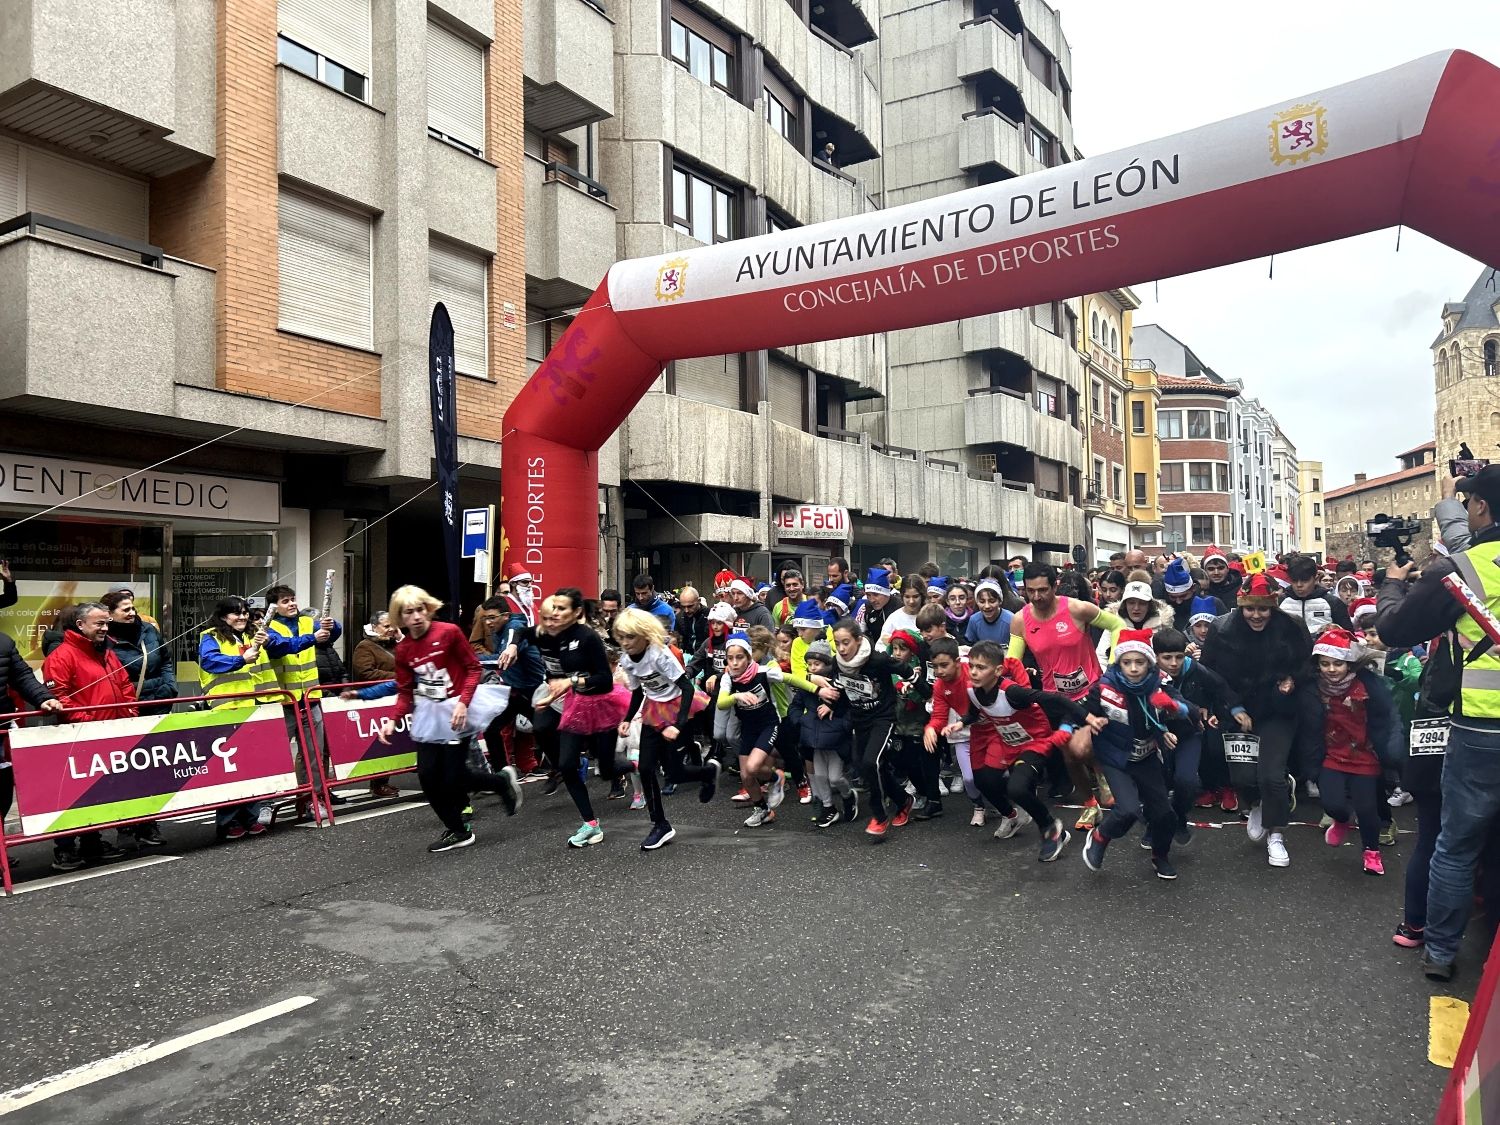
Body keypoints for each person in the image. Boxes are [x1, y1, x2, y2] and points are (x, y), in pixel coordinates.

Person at [1375, 464, 1500, 980]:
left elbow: (1395, 629)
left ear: (1481, 508)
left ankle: (1442, 952)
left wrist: (1391, 586)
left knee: (1456, 840)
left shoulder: (1467, 567)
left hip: (1480, 729)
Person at [376, 585, 521, 853]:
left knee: (454, 777)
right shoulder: (405, 649)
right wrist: (393, 720)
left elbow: (473, 668)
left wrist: (463, 703)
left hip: (458, 710)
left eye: (421, 609)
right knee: (428, 777)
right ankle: (459, 830)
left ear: (428, 609)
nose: (417, 616)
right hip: (429, 714)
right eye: (409, 612)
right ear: (401, 617)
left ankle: (500, 783)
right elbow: (405, 690)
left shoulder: (449, 632)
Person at [935, 639, 1088, 860]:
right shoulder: (973, 690)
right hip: (1009, 744)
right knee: (984, 779)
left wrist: (1082, 717)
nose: (974, 672)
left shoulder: (1014, 692)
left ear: (997, 670)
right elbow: (976, 711)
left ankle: (1051, 829)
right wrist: (962, 722)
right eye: (973, 667)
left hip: (1035, 742)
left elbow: (1055, 699)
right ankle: (1014, 815)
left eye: (981, 668)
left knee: (1017, 788)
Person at [1201, 572, 1312, 870]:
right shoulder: (1221, 628)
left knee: (1271, 775)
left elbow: (1307, 665)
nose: (1257, 615)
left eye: (1263, 608)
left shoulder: (1292, 627)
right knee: (1242, 778)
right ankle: (1255, 805)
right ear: (1240, 606)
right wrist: (1218, 707)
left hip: (1277, 708)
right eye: (1250, 608)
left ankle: (1276, 834)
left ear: (1273, 607)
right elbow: (1209, 673)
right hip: (1237, 709)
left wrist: (1292, 681)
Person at [1007, 561, 1125, 829]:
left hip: (1090, 692)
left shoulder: (1076, 608)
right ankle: (1089, 804)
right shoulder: (1019, 620)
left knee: (1081, 748)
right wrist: (1017, 686)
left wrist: (1114, 662)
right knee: (1069, 756)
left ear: (1055, 586)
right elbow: (1012, 661)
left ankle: (1101, 773)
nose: (1036, 597)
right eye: (1030, 591)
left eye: (1042, 590)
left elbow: (1117, 624)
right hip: (1053, 698)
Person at [1079, 629, 1193, 880]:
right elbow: (1080, 711)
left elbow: (1185, 708)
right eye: (1127, 662)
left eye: (1139, 662)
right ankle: (1100, 837)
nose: (1133, 668)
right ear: (1118, 663)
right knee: (1128, 809)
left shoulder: (1158, 684)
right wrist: (1082, 725)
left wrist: (1176, 708)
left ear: (1149, 663)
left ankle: (1160, 856)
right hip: (1115, 758)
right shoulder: (1104, 687)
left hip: (1146, 758)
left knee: (1164, 814)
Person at [1297, 628, 1402, 878]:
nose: (1331, 669)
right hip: (1331, 754)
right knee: (1332, 804)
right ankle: (1341, 820)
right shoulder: (1311, 688)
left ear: (1350, 663)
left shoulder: (1369, 686)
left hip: (1365, 756)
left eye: (1337, 663)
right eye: (1325, 664)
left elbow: (1388, 718)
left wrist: (1391, 750)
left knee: (1367, 810)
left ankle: (1371, 851)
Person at [612, 608, 718, 850]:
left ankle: (707, 774)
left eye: (631, 637)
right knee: (647, 769)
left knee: (673, 773)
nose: (626, 643)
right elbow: (639, 690)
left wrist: (678, 726)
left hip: (677, 708)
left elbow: (687, 688)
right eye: (622, 638)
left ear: (645, 635)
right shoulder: (627, 659)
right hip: (653, 710)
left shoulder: (659, 654)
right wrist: (628, 718)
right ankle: (660, 824)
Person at [42, 603, 139, 869]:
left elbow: (124, 684)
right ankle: (64, 848)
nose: (105, 628)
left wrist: (129, 713)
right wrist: (90, 722)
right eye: (99, 624)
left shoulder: (107, 653)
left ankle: (91, 842)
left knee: (96, 793)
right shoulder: (61, 656)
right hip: (80, 736)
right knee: (72, 795)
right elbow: (59, 698)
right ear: (80, 625)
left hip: (110, 732)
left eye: (106, 623)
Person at [534, 588, 625, 846]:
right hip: (577, 705)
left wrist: (570, 681)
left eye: (562, 609)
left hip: (602, 704)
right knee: (566, 764)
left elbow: (604, 679)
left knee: (606, 769)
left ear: (576, 612)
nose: (556, 613)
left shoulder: (588, 638)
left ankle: (636, 766)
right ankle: (591, 824)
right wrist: (551, 697)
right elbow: (560, 677)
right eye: (555, 608)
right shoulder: (558, 639)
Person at [197, 596, 282, 843]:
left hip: (253, 710)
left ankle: (251, 818)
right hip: (225, 711)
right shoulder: (210, 636)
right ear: (223, 616)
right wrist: (239, 660)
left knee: (252, 767)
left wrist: (323, 632)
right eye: (236, 613)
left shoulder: (252, 635)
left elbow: (286, 645)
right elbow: (210, 660)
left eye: (245, 612)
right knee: (230, 771)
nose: (242, 617)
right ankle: (229, 821)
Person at [1152, 628, 1246, 841]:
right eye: (1167, 658)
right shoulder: (1145, 671)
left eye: (1179, 657)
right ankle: (1154, 827)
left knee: (1186, 782)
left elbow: (1220, 686)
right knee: (1158, 785)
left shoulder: (1193, 668)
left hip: (1189, 733)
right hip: (1158, 735)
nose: (1174, 663)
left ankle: (1180, 817)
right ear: (1155, 656)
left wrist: (1234, 710)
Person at [718, 627, 815, 827]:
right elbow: (721, 703)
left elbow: (790, 678)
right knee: (746, 776)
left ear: (749, 657)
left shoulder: (763, 671)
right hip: (749, 727)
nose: (735, 663)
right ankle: (763, 810)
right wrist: (737, 696)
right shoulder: (728, 678)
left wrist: (817, 688)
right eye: (730, 658)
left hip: (769, 724)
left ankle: (777, 777)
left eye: (740, 658)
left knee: (753, 767)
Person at [830, 616, 914, 839]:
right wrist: (827, 696)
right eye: (837, 643)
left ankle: (879, 815)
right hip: (860, 720)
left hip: (883, 717)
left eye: (846, 642)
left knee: (871, 762)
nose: (842, 648)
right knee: (867, 767)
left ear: (858, 640)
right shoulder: (836, 663)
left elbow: (905, 669)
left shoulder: (877, 660)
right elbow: (833, 687)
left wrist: (913, 682)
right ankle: (903, 800)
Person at [263, 584, 341, 819]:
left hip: (310, 698)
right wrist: (313, 638)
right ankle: (265, 803)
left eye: (293, 599)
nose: (292, 604)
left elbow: (330, 634)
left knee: (314, 754)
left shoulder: (308, 622)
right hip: (282, 701)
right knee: (273, 755)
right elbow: (277, 648)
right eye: (286, 601)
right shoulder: (268, 627)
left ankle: (312, 799)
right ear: (274, 607)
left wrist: (332, 626)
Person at [0, 628, 62, 825]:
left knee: (3, 793)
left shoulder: (3, 642)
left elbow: (22, 677)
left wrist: (44, 698)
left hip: (0, 730)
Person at [793, 639, 855, 827]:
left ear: (828, 664)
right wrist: (801, 721)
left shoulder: (839, 683)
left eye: (817, 664)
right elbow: (795, 706)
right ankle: (828, 807)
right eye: (810, 664)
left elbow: (851, 707)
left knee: (835, 777)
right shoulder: (807, 686)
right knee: (819, 775)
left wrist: (842, 724)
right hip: (814, 738)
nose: (813, 668)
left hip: (835, 739)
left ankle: (848, 795)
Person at [351, 610, 402, 798]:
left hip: (396, 698)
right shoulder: (365, 647)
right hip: (377, 700)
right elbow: (366, 673)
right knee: (380, 742)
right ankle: (378, 782)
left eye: (392, 625)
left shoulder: (394, 644)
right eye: (386, 626)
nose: (390, 629)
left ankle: (384, 780)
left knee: (394, 740)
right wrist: (398, 677)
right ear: (374, 627)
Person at [1280, 554, 1352, 635]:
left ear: (1316, 579)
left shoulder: (1333, 603)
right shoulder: (1280, 602)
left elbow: (1348, 635)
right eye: (1294, 580)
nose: (1299, 585)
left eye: (1305, 580)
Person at [878, 574, 926, 649]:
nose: (911, 601)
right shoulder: (894, 618)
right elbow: (880, 646)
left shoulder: (929, 615)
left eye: (915, 596)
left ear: (922, 596)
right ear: (902, 596)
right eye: (907, 597)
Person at [965, 578, 1014, 645]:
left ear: (1000, 601)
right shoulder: (974, 620)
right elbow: (971, 646)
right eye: (982, 602)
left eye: (992, 601)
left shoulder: (1011, 620)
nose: (987, 606)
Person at [853, 567, 894, 641]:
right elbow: (856, 635)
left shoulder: (899, 607)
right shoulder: (865, 608)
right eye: (868, 595)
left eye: (876, 595)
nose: (872, 600)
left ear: (886, 593)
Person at [674, 586, 710, 655]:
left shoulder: (710, 616)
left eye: (690, 606)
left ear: (699, 601)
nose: (686, 610)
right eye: (683, 607)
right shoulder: (680, 617)